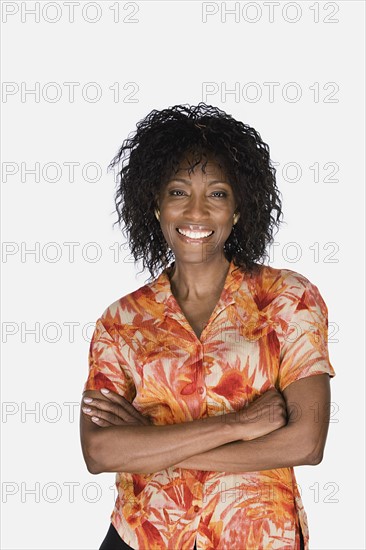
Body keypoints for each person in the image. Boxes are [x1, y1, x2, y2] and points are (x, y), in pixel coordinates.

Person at [79, 103, 335, 550]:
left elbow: (306, 442)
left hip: (255, 537)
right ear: (155, 206)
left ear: (238, 211)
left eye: (217, 194)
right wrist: (237, 425)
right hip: (143, 536)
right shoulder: (121, 321)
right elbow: (99, 452)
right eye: (178, 192)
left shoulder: (287, 299)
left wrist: (150, 446)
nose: (196, 211)